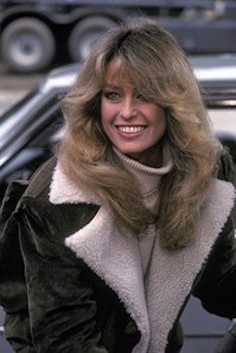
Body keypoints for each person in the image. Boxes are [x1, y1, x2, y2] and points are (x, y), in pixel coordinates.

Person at [0, 18, 235, 353]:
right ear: (96, 102)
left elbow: (220, 285)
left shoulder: (207, 173)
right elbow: (66, 341)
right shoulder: (56, 197)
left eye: (144, 95)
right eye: (113, 95)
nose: (126, 112)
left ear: (173, 102)